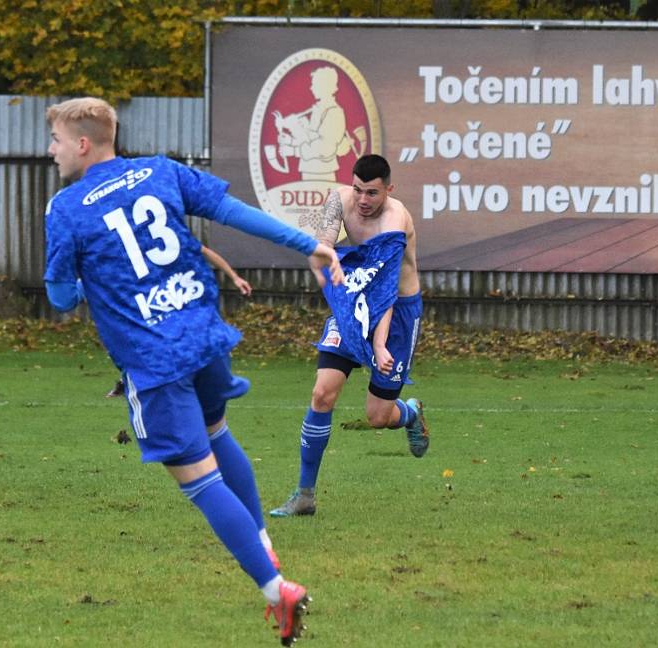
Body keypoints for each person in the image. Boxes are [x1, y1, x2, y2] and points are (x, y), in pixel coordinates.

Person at [43, 97, 343, 645]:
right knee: (216, 432)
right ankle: (261, 541)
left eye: (56, 141)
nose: (51, 150)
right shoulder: (161, 170)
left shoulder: (65, 207)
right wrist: (311, 244)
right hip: (205, 338)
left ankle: (277, 590)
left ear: (83, 143)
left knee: (200, 483)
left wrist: (93, 284)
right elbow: (233, 212)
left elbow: (61, 297)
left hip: (152, 361)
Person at [270, 154, 428, 518]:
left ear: (389, 189)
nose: (362, 200)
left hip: (397, 312)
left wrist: (377, 342)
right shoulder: (339, 199)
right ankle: (304, 495)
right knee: (322, 392)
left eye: (372, 193)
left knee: (377, 416)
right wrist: (331, 272)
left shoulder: (395, 222)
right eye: (357, 189)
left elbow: (385, 292)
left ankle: (410, 413)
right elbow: (322, 247)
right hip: (356, 300)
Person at [104, 245, 251, 398]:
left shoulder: (171, 242)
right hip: (156, 300)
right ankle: (133, 376)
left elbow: (206, 252)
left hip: (180, 298)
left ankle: (214, 376)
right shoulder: (132, 248)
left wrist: (234, 277)